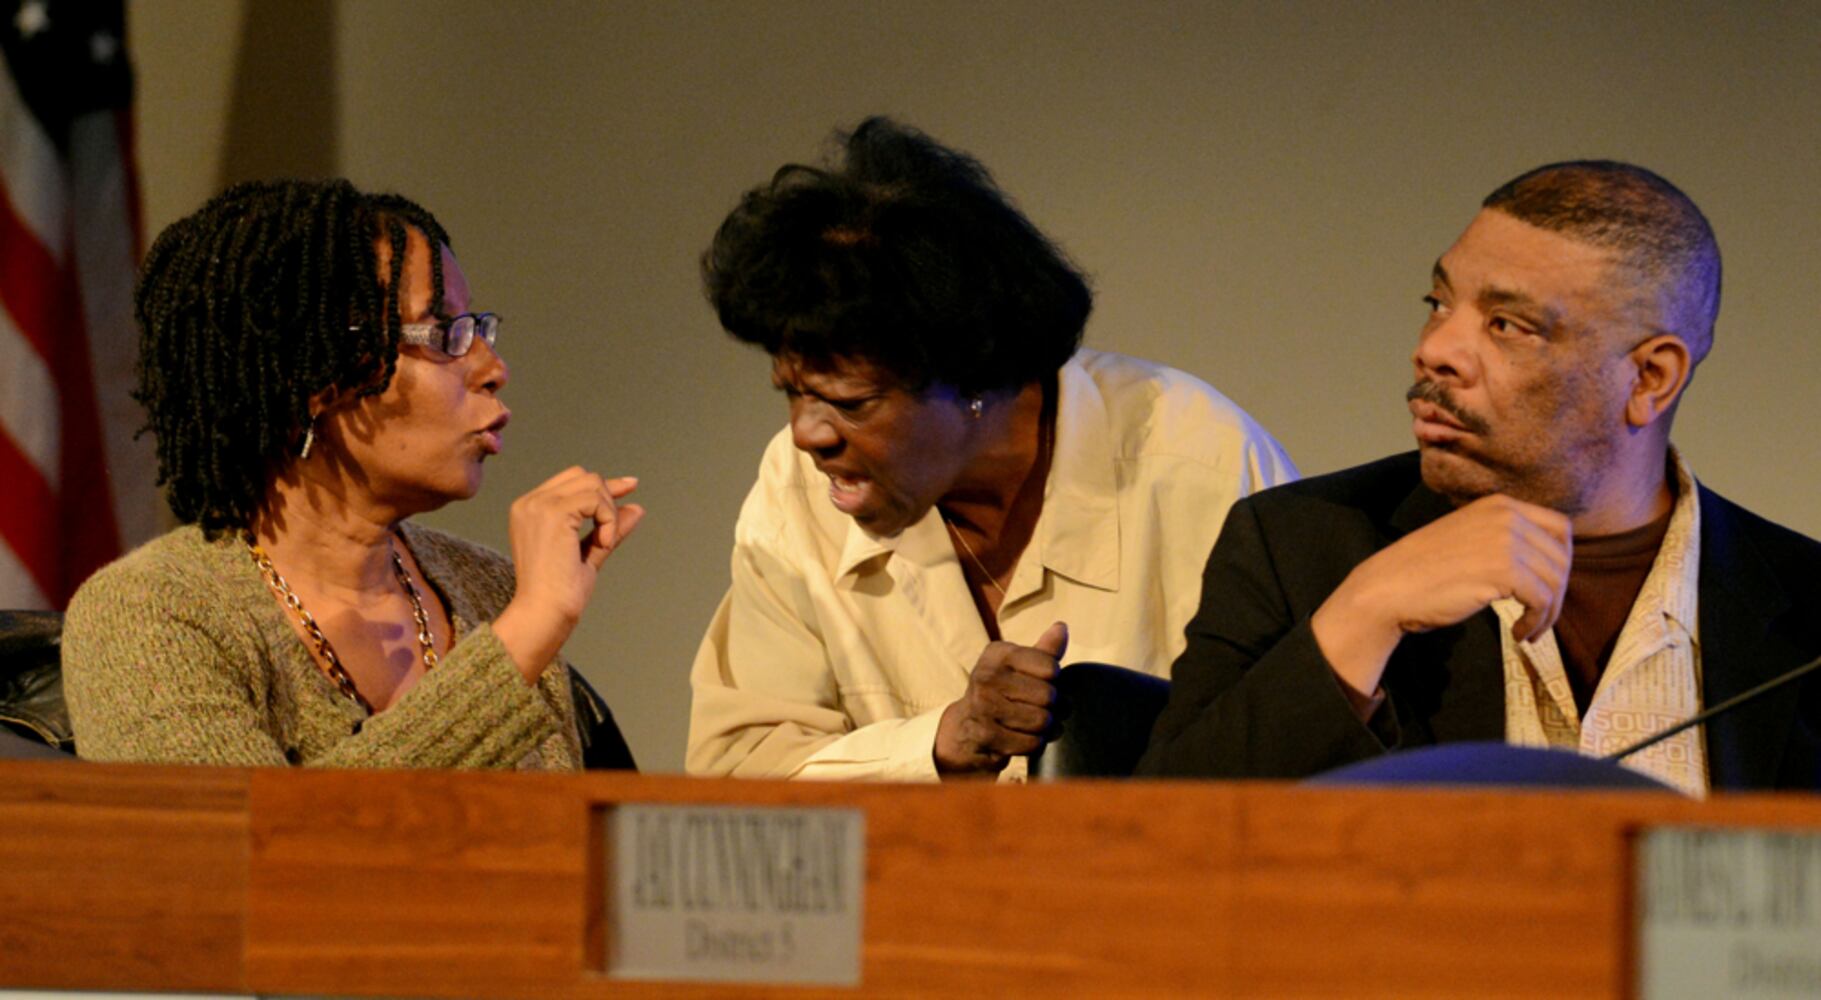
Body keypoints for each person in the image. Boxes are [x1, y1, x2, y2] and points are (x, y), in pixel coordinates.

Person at [1140, 161, 1821, 794]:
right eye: (1438, 302)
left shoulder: (1806, 606)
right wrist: (1366, 613)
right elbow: (1161, 838)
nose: (1434, 350)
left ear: (1649, 378)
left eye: (1507, 325)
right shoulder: (1300, 546)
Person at [688, 118, 1296, 782]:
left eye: (852, 402)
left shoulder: (1200, 465)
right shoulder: (793, 490)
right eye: (793, 392)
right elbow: (737, 771)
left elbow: (1306, 751)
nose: (807, 434)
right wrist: (940, 743)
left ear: (975, 374)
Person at [62, 179, 643, 769]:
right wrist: (525, 633)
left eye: (477, 329)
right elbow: (255, 828)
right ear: (315, 377)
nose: (494, 368)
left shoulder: (489, 589)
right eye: (444, 333)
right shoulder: (151, 612)